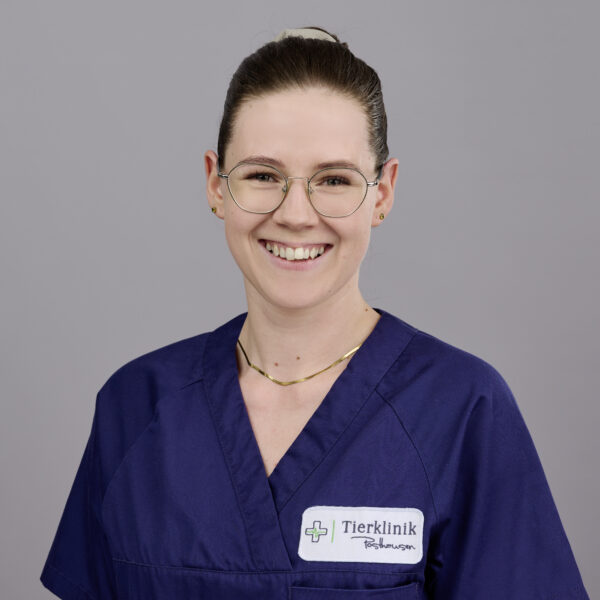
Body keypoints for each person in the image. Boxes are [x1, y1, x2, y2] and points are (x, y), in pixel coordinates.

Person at [40, 27, 589, 600]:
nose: (296, 215)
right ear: (215, 185)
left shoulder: (460, 410)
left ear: (382, 194)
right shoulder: (135, 408)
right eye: (263, 175)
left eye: (333, 180)